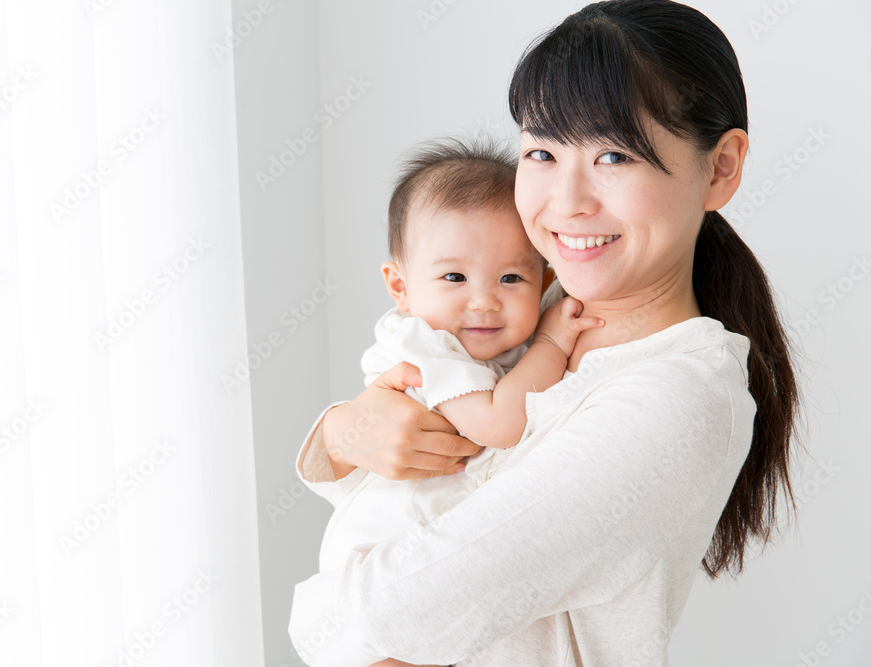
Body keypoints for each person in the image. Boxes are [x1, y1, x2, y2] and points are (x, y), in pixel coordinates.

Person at [288, 1, 799, 665]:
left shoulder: (674, 400)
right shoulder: (529, 300)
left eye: (614, 155)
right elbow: (403, 487)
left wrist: (318, 608)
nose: (567, 200)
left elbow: (400, 607)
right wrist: (342, 432)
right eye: (541, 151)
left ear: (722, 167)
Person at [308, 139, 603, 667]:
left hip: (432, 574)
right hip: (386, 561)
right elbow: (498, 423)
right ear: (400, 286)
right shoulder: (425, 345)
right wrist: (554, 344)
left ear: (545, 282)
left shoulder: (500, 344)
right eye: (454, 277)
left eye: (512, 278)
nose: (484, 300)